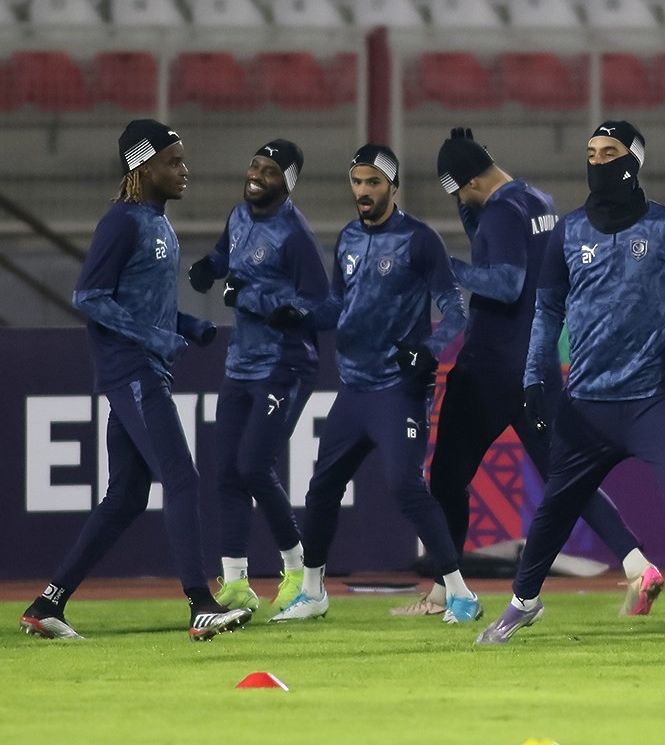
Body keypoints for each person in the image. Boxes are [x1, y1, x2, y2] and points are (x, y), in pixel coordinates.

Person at [475, 121, 665, 649]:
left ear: (632, 162)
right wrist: (534, 377)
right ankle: (524, 603)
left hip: (656, 399)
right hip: (587, 403)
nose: (596, 162)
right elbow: (547, 309)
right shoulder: (569, 231)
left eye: (608, 153)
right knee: (555, 508)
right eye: (590, 153)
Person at [394, 127, 662, 618]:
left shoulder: (499, 212)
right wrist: (465, 185)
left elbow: (504, 282)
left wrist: (443, 267)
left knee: (447, 479)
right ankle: (637, 564)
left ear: (472, 182)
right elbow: (495, 247)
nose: (462, 201)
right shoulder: (538, 200)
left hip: (490, 368)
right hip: (537, 367)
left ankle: (446, 593)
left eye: (460, 192)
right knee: (568, 476)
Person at [20, 120, 251, 641]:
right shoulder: (122, 222)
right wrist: (156, 336)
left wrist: (187, 325)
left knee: (126, 495)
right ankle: (200, 604)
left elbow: (139, 302)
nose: (184, 170)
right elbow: (89, 297)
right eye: (173, 161)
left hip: (143, 367)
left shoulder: (157, 224)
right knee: (182, 477)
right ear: (143, 167)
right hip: (132, 369)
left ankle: (47, 604)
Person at [268, 144, 483, 625]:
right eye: (357, 181)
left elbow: (455, 310)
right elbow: (337, 306)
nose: (363, 191)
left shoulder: (419, 240)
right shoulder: (347, 237)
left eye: (373, 182)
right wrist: (300, 315)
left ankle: (461, 594)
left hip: (397, 388)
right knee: (322, 489)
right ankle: (313, 593)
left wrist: (428, 350)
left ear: (392, 186)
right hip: (354, 388)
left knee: (405, 486)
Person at [187, 139, 329, 618]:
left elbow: (322, 302)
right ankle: (235, 584)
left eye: (268, 170)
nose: (255, 175)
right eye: (254, 165)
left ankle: (299, 572)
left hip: (284, 363)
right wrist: (208, 268)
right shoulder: (238, 215)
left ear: (287, 182)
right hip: (241, 362)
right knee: (228, 471)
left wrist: (264, 303)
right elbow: (226, 256)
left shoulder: (295, 234)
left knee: (252, 466)